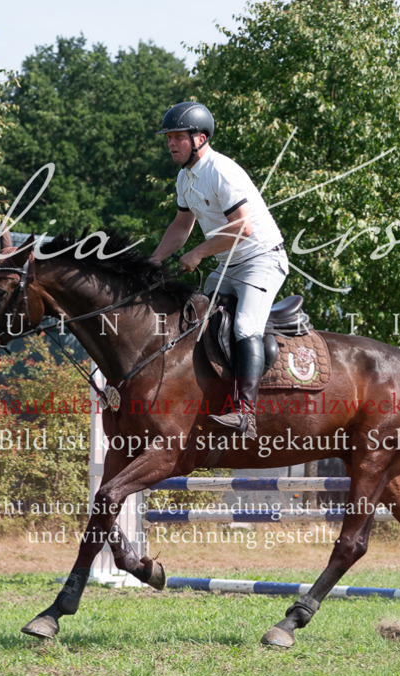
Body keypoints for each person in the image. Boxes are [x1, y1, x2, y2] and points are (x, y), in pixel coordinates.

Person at [151, 101, 289, 439]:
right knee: (196, 322)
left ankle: (245, 415)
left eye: (177, 137)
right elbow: (181, 226)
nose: (171, 143)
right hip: (230, 263)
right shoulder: (185, 179)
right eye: (168, 137)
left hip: (262, 260)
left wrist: (197, 253)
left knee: (243, 327)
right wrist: (152, 263)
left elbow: (243, 228)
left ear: (199, 138)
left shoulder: (220, 170)